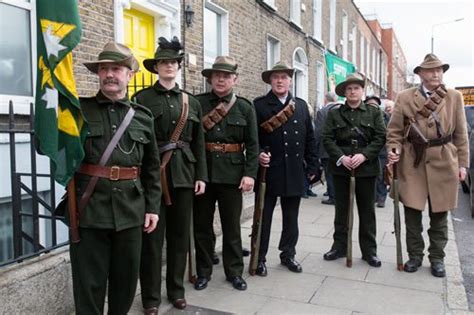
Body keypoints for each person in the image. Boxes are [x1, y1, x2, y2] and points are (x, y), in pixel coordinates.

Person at [69, 41, 161, 314]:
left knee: (125, 284)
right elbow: (47, 146)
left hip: (131, 211)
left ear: (129, 75)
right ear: (98, 74)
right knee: (89, 285)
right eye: (105, 69)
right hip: (89, 210)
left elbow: (152, 168)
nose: (110, 74)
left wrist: (153, 207)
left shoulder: (143, 117)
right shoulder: (78, 111)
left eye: (117, 69)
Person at [133, 37, 208, 313]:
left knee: (179, 238)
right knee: (152, 240)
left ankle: (176, 290)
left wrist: (201, 175)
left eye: (173, 62)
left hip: (185, 175)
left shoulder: (191, 102)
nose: (168, 67)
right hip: (153, 177)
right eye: (163, 62)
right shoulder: (141, 100)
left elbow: (198, 141)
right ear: (156, 67)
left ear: (179, 66)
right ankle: (151, 298)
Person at [386, 53, 469, 278]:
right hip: (413, 161)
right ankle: (414, 256)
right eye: (431, 70)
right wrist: (394, 150)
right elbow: (394, 131)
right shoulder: (405, 97)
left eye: (439, 70)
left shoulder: (454, 97)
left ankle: (437, 258)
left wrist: (463, 164)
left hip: (444, 159)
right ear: (420, 74)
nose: (436, 74)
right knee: (412, 213)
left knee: (440, 215)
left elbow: (461, 133)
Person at [193, 56, 259, 291]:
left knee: (232, 227)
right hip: (204, 173)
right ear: (210, 78)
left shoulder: (244, 107)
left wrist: (250, 173)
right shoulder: (198, 103)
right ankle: (203, 271)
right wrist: (197, 174)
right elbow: (193, 141)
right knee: (202, 226)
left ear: (235, 79)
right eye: (217, 75)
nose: (221, 79)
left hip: (233, 175)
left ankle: (234, 272)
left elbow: (253, 145)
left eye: (226, 76)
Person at [253, 61, 319, 276]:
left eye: (284, 77)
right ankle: (259, 257)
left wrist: (312, 165)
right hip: (269, 170)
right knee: (264, 217)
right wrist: (259, 154)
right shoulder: (260, 105)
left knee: (291, 218)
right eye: (275, 77)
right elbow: (252, 138)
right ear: (270, 81)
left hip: (294, 170)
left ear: (290, 81)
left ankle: (288, 254)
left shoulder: (300, 105)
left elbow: (310, 137)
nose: (280, 81)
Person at [322, 73, 386, 267]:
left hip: (366, 169)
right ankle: (339, 247)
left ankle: (369, 252)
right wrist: (341, 157)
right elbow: (327, 138)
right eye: (349, 89)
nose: (352, 91)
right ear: (344, 93)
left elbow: (380, 137)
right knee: (342, 211)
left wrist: (364, 155)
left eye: (356, 88)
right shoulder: (334, 113)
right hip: (341, 168)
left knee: (367, 212)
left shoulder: (374, 113)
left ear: (362, 91)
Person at [314, 92, 340, 205]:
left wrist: (315, 149)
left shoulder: (323, 112)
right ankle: (337, 194)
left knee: (329, 173)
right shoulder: (342, 110)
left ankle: (333, 197)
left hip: (326, 149)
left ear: (326, 99)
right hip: (341, 149)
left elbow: (318, 132)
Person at [365, 95, 388, 208]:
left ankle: (381, 197)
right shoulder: (362, 117)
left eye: (374, 105)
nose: (372, 107)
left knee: (381, 176)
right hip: (367, 152)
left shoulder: (385, 118)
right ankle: (372, 197)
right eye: (369, 105)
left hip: (382, 152)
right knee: (370, 176)